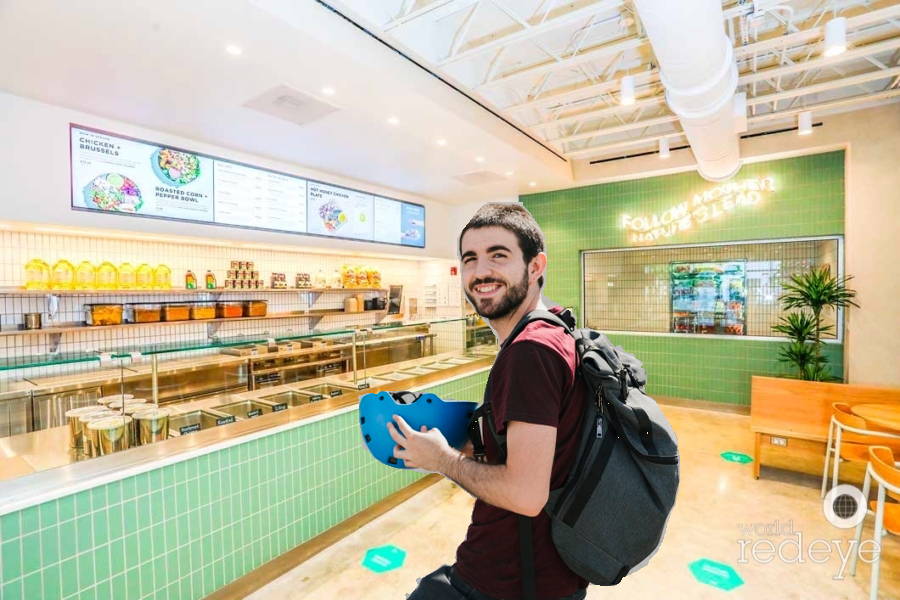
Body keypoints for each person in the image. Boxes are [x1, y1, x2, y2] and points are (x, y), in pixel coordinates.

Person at [390, 203, 589, 600]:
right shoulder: (555, 325)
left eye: (498, 255)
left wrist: (442, 460)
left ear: (535, 267)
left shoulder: (530, 352)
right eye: (470, 259)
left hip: (511, 581)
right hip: (546, 573)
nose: (481, 271)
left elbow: (525, 495)